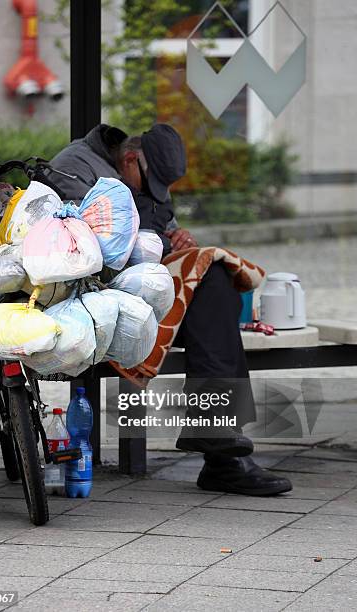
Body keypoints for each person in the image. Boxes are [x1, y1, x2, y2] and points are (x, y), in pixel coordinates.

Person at [50, 123, 292, 496]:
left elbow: (162, 233)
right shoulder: (74, 166)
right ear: (131, 158)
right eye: (150, 184)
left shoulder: (143, 177)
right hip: (89, 290)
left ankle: (220, 442)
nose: (153, 194)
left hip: (145, 286)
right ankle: (222, 456)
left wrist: (180, 239)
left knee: (215, 281)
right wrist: (160, 239)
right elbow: (100, 240)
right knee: (209, 294)